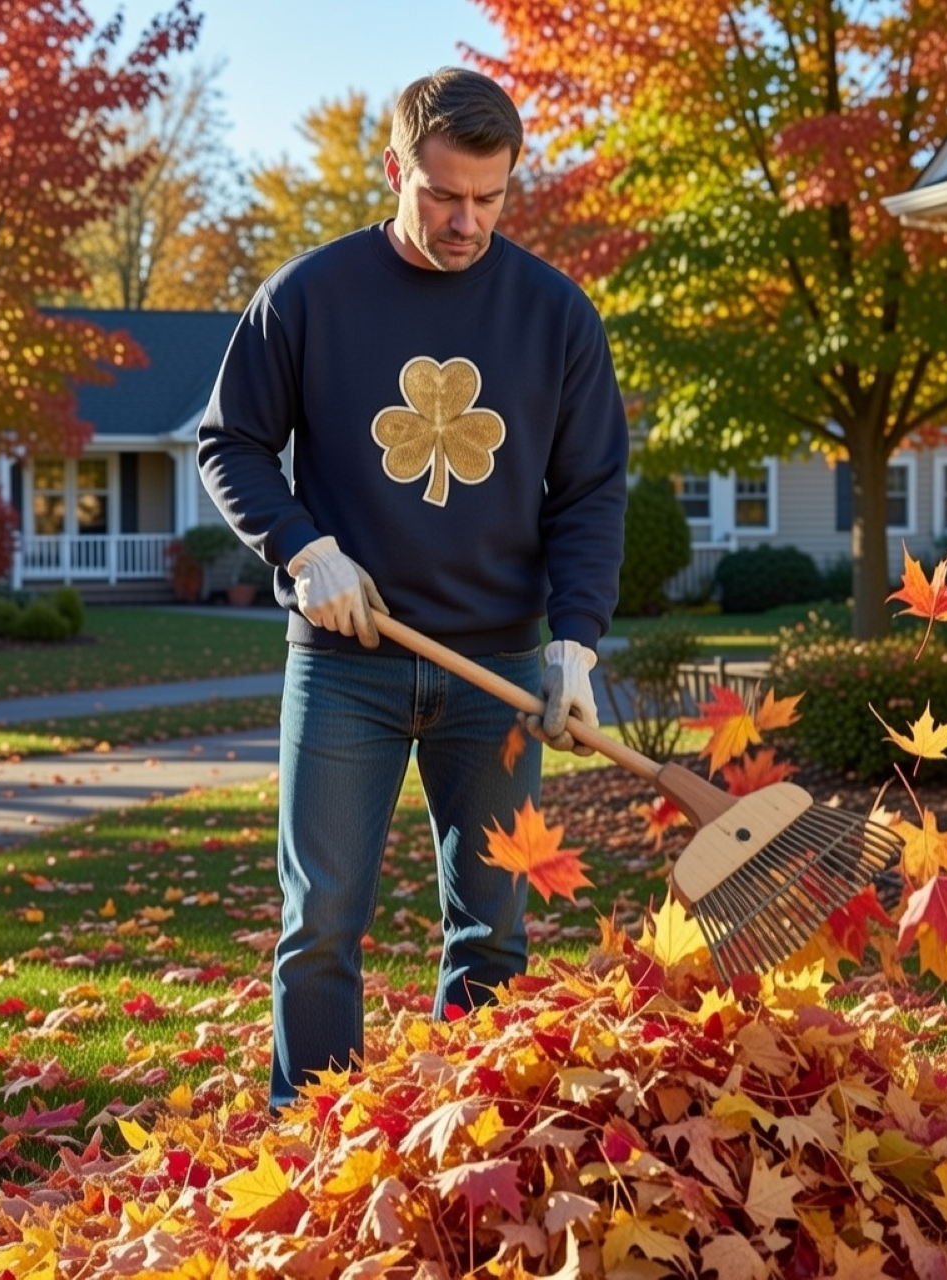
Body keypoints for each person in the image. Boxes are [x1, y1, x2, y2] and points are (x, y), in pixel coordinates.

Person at [197, 67, 628, 1112]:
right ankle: (305, 1152)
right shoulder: (307, 296)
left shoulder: (554, 314)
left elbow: (589, 489)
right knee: (322, 923)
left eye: (489, 197)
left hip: (497, 672)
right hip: (346, 666)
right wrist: (304, 548)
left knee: (491, 927)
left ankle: (469, 1148)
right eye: (442, 195)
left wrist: (572, 642)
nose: (466, 220)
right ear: (394, 169)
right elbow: (232, 442)